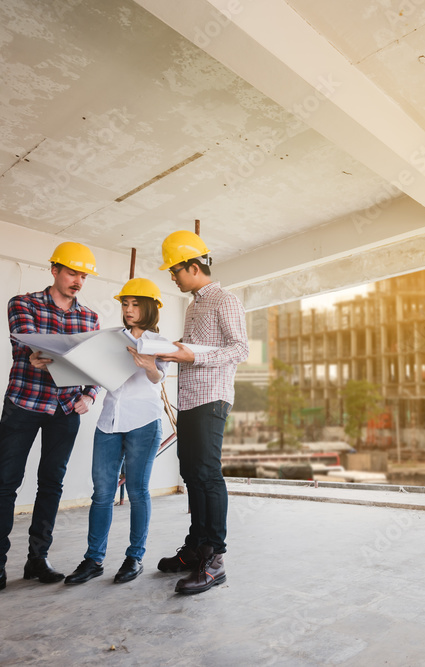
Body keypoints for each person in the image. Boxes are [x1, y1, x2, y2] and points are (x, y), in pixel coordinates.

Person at [0, 242, 100, 606]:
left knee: (51, 484)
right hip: (24, 403)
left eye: (83, 275)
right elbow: (28, 346)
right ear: (54, 270)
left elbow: (96, 365)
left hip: (65, 409)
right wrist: (44, 355)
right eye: (72, 273)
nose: (78, 281)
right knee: (4, 484)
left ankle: (37, 560)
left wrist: (90, 395)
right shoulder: (23, 303)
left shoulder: (91, 319)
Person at [155, 230, 247, 595]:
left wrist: (190, 354)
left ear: (194, 267)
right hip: (189, 399)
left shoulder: (225, 300)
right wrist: (168, 348)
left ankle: (215, 560)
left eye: (174, 271)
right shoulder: (194, 305)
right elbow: (192, 347)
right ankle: (196, 548)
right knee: (191, 473)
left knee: (207, 474)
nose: (172, 277)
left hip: (212, 397)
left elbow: (240, 348)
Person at [65, 278, 169, 585]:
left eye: (136, 304)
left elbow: (157, 378)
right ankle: (93, 559)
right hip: (108, 422)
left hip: (144, 422)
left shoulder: (158, 342)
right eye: (125, 304)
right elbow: (95, 373)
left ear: (150, 307)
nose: (129, 310)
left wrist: (148, 364)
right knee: (101, 494)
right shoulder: (111, 338)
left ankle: (134, 556)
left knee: (137, 492)